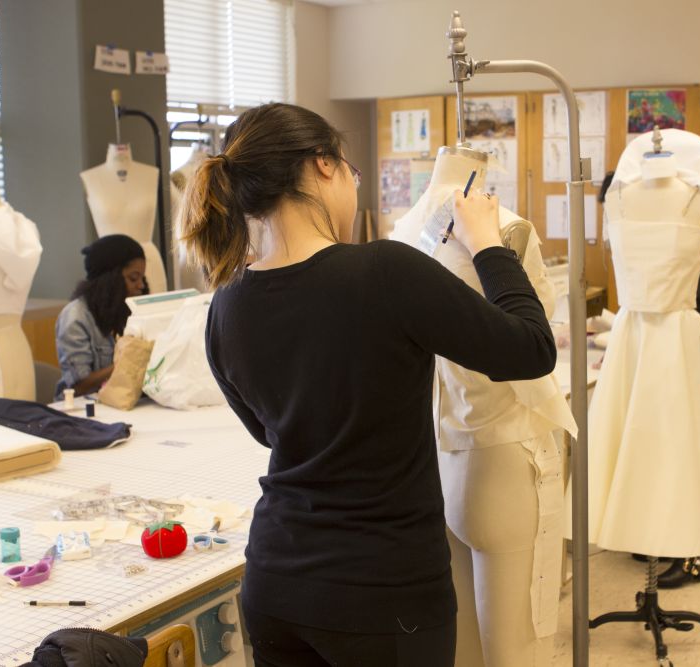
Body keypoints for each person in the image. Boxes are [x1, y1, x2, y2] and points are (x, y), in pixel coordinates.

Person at [178, 102, 556, 667]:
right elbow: (531, 348)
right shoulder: (385, 271)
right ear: (324, 166)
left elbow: (266, 430)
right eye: (352, 174)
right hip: (384, 594)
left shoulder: (225, 305)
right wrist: (489, 246)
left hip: (275, 584)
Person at [54, 234, 147, 398]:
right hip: (82, 409)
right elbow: (79, 385)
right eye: (133, 278)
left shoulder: (127, 310)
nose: (141, 285)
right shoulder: (75, 317)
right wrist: (130, 361)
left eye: (142, 278)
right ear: (109, 279)